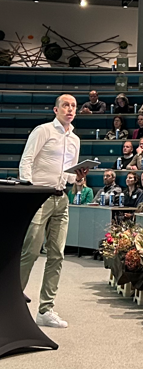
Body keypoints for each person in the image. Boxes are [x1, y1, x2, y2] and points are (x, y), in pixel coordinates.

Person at [19, 94, 87, 328]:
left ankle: (45, 310)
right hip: (39, 197)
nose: (70, 109)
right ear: (55, 109)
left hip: (61, 198)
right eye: (66, 105)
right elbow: (26, 160)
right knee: (31, 251)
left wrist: (77, 178)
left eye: (73, 106)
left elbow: (68, 175)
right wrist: (28, 189)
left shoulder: (75, 139)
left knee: (57, 254)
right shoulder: (43, 131)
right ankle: (10, 300)